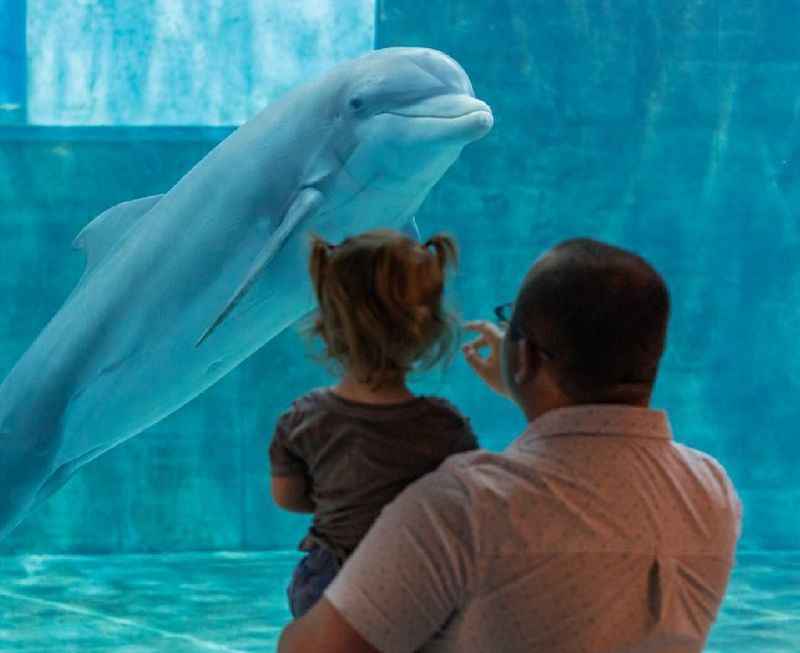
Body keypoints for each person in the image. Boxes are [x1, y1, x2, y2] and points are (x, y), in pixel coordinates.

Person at [277, 237, 742, 653]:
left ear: (526, 355)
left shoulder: (463, 507)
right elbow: (586, 474)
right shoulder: (710, 490)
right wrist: (527, 384)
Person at [269, 229, 479, 619]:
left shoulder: (302, 419)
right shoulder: (445, 425)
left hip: (329, 584)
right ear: (430, 327)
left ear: (327, 326)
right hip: (416, 582)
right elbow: (464, 505)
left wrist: (340, 501)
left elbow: (287, 497)